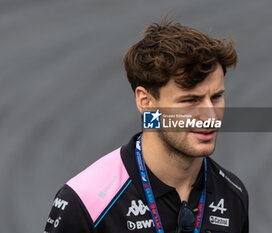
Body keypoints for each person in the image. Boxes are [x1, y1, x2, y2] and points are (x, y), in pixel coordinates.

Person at [44, 17, 249, 233]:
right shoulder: (85, 201)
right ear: (146, 102)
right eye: (190, 100)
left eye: (216, 97)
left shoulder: (233, 195)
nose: (209, 115)